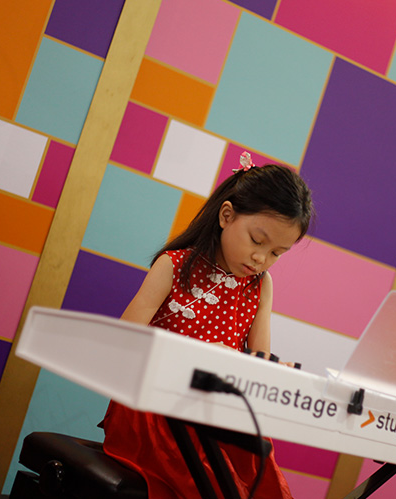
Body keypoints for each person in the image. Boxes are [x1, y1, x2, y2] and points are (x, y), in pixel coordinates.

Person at [101, 152, 314, 498]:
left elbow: (259, 360)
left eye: (277, 253)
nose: (262, 259)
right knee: (213, 485)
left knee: (264, 483)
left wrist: (273, 370)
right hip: (153, 408)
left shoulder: (261, 285)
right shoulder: (174, 265)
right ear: (226, 215)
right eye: (257, 241)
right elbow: (124, 341)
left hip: (214, 412)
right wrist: (193, 356)